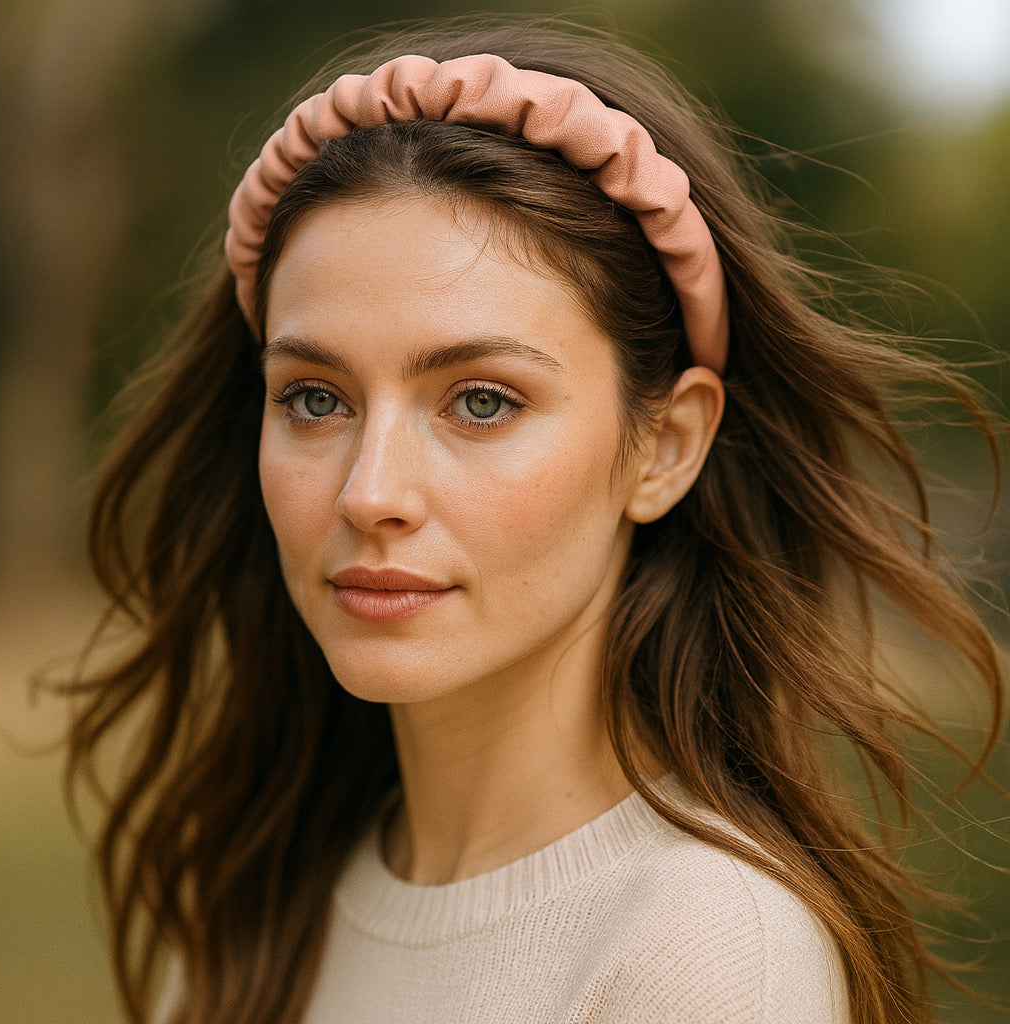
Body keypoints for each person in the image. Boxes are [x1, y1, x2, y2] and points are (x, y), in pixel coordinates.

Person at [65, 15, 1005, 1024]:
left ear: (665, 446)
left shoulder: (705, 958)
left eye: (480, 401)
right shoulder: (258, 902)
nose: (369, 491)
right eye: (315, 398)